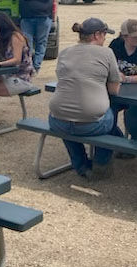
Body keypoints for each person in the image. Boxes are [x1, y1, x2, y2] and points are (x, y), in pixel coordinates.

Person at [49, 18, 122, 180]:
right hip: (91, 125)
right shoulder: (106, 53)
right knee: (111, 113)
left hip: (56, 120)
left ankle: (81, 165)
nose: (105, 39)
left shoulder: (65, 52)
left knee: (68, 119)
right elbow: (114, 90)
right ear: (96, 35)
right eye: (104, 35)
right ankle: (101, 164)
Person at [9, 0, 54, 73]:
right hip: (26, 18)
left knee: (41, 42)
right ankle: (28, 65)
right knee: (27, 43)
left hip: (43, 17)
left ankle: (36, 66)